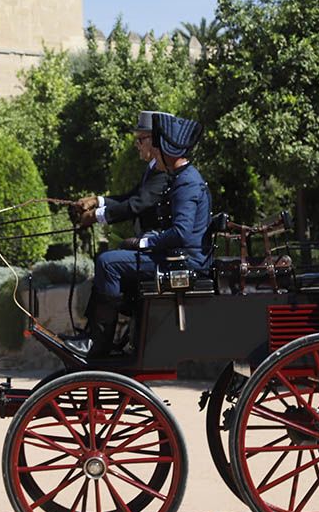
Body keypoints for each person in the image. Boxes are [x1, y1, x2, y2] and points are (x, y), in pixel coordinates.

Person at [66, 112, 211, 358]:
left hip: (184, 261)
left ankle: (98, 344)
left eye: (152, 145)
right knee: (111, 261)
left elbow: (181, 233)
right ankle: (97, 336)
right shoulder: (180, 177)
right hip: (175, 256)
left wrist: (145, 241)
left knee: (108, 263)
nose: (152, 153)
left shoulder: (186, 182)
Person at [71, 110, 170, 233]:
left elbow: (138, 203)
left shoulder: (164, 171)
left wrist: (95, 216)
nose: (136, 144)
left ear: (155, 140)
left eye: (140, 139)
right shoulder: (152, 168)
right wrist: (96, 201)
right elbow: (130, 197)